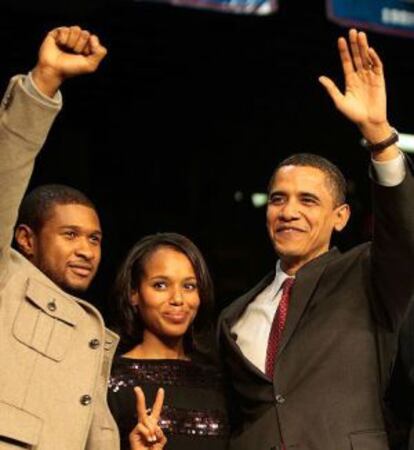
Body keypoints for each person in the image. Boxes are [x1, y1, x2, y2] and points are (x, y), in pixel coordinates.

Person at [218, 29, 414, 450]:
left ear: (340, 217)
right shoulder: (233, 317)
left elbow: (405, 230)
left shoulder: (369, 276)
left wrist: (380, 137)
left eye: (308, 200)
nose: (289, 211)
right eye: (278, 199)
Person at [0, 26, 124, 450]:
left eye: (95, 239)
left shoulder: (92, 327)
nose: (87, 250)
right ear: (25, 238)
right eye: (70, 235)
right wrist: (44, 81)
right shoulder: (6, 277)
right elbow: (6, 169)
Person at [108, 232, 230, 450]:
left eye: (189, 286)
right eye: (160, 285)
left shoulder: (218, 379)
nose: (177, 299)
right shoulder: (108, 380)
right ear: (134, 293)